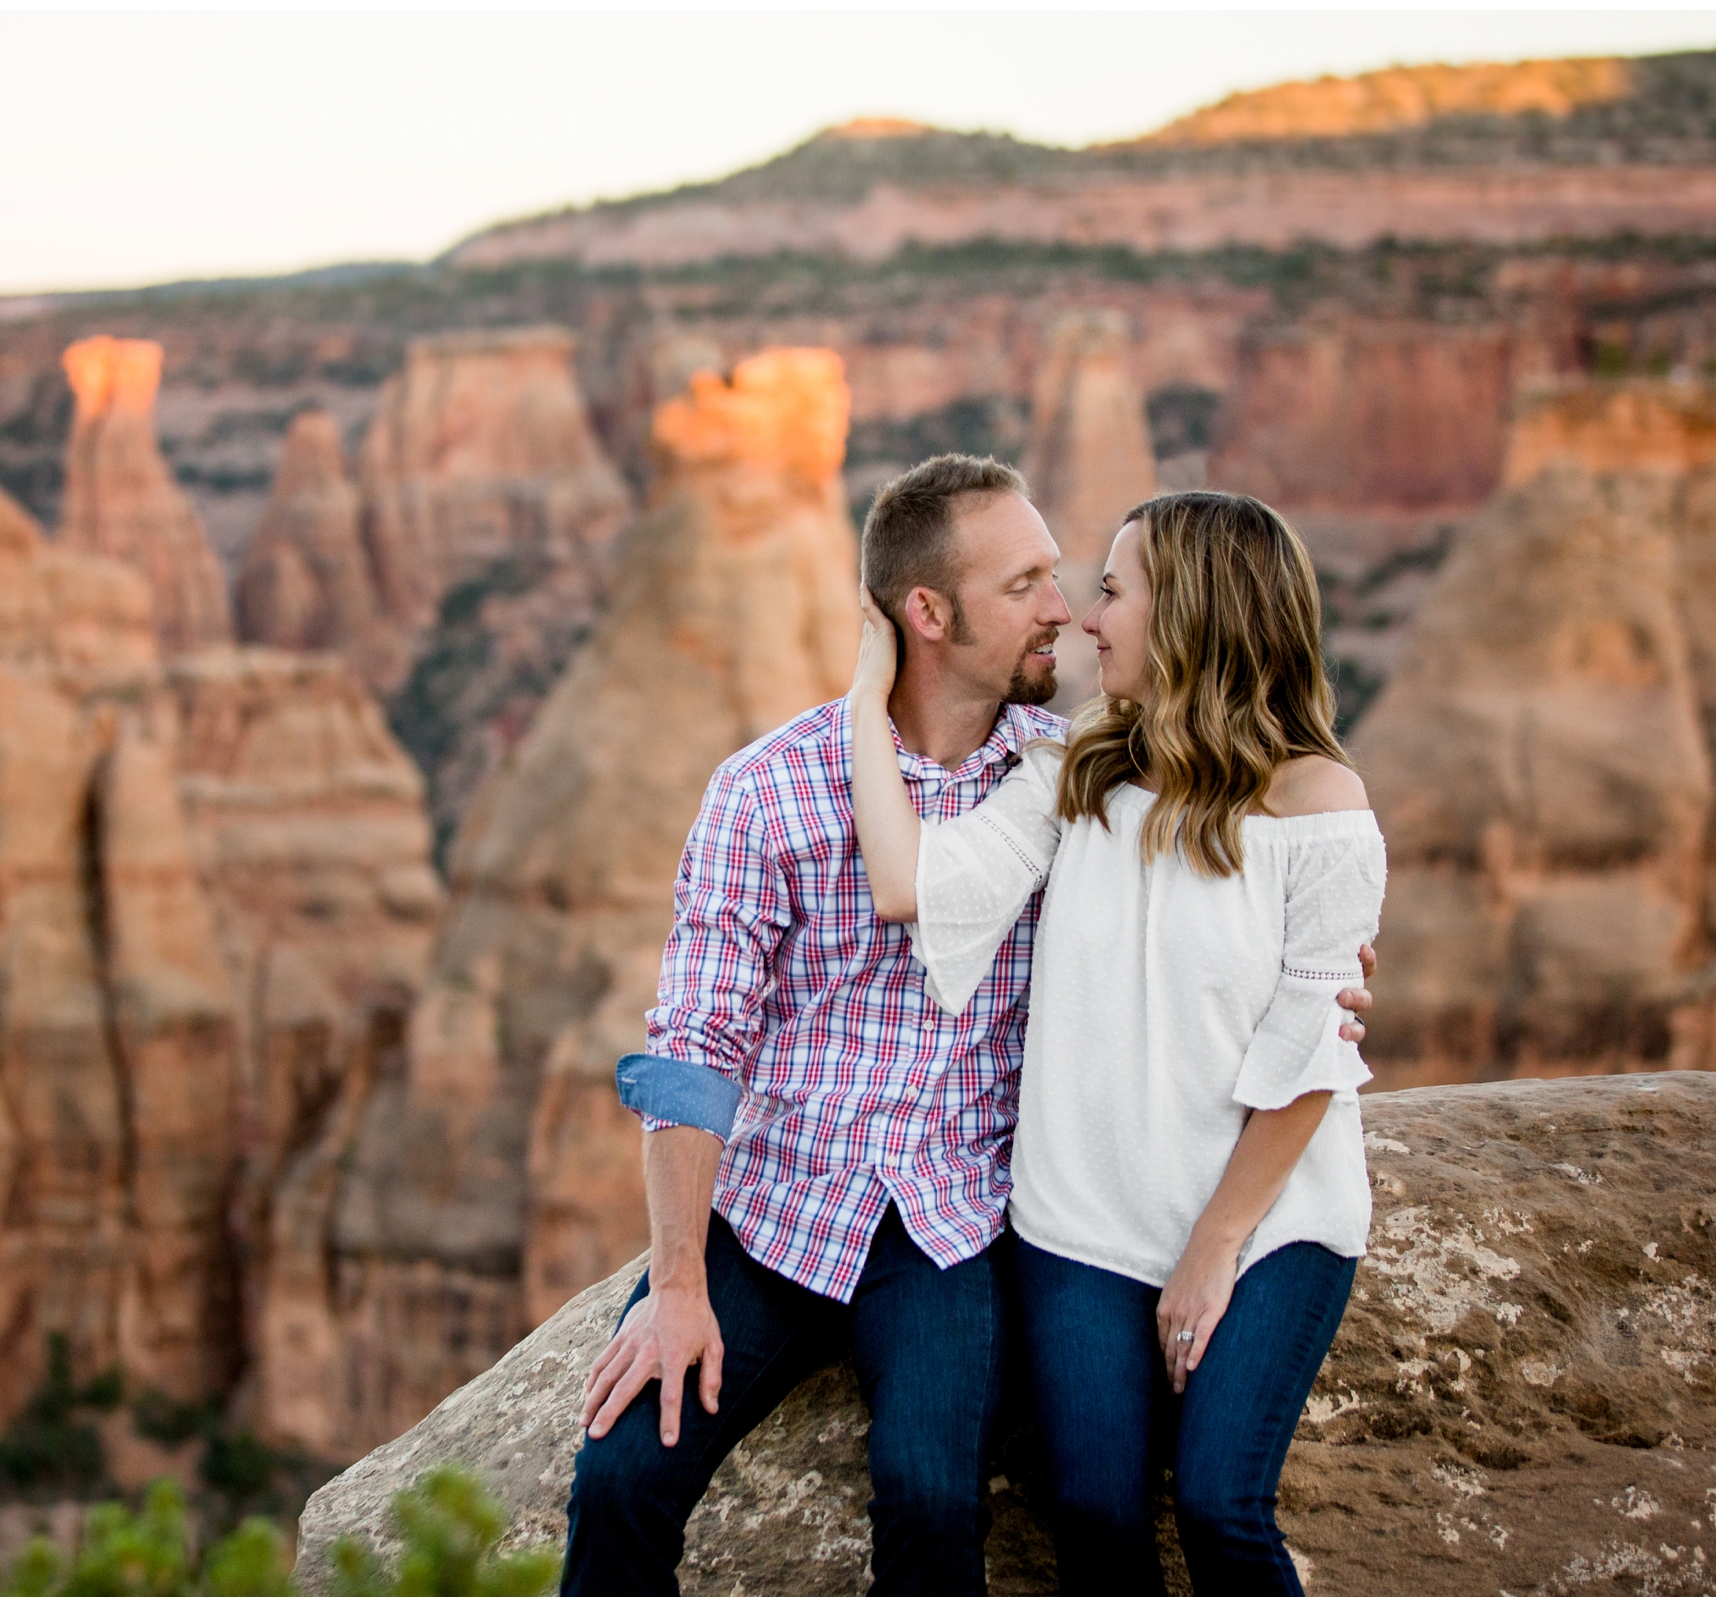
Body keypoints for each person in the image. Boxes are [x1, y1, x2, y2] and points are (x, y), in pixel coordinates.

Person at [560, 456, 1375, 1596]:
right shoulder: (767, 790)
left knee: (937, 1496)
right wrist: (680, 1283)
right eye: (1028, 581)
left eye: (1073, 579)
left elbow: (1240, 854)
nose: (1064, 610)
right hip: (777, 1198)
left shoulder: (1072, 768)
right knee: (618, 1478)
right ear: (926, 615)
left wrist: (1325, 968)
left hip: (947, 1213)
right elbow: (696, 1045)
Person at [848, 488, 1384, 1595]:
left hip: (1267, 1215)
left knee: (1221, 1503)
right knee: (1092, 1508)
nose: (1089, 619)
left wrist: (1214, 1244)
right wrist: (868, 686)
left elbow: (1314, 1043)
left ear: (1190, 612)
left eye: (1111, 590)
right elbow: (910, 884)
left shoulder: (1324, 805)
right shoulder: (1074, 771)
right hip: (1081, 1218)